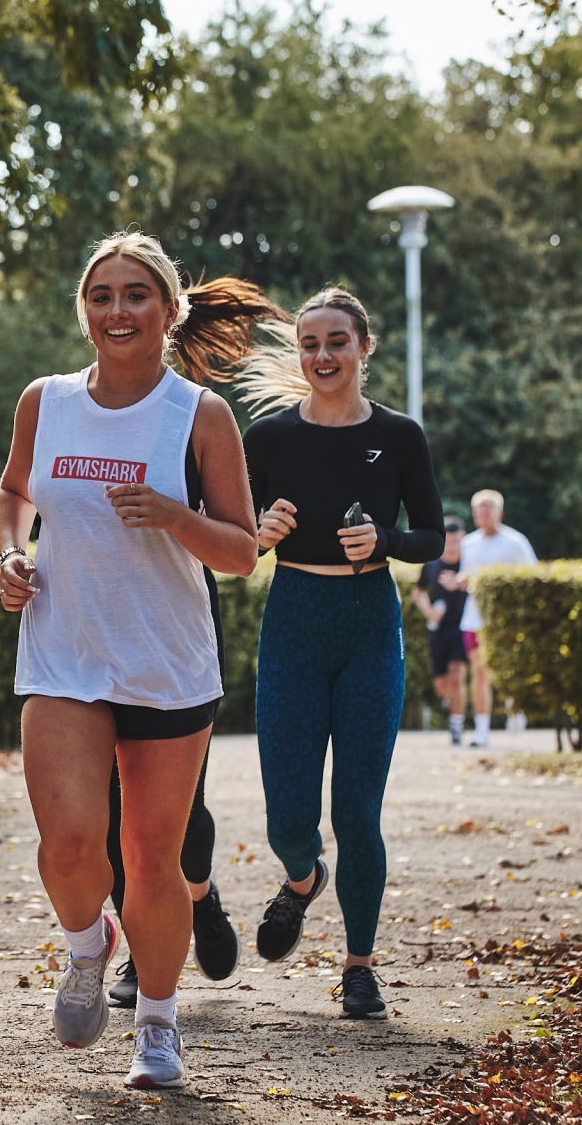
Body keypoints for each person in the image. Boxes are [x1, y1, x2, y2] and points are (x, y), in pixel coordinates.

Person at [0, 232, 266, 1089]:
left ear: (168, 309)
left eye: (136, 294)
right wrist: (10, 552)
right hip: (64, 651)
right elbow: (12, 494)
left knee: (154, 860)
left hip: (165, 662)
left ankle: (157, 1025)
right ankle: (86, 945)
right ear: (85, 310)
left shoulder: (199, 415)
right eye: (102, 295)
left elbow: (241, 550)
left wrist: (173, 515)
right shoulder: (46, 401)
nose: (118, 310)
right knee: (69, 843)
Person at [243, 287, 443, 1022]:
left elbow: (432, 537)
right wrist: (259, 531)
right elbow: (226, 535)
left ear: (365, 347)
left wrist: (386, 543)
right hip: (293, 618)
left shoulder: (399, 436)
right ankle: (301, 879)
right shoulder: (265, 440)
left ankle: (359, 966)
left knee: (358, 811)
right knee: (286, 819)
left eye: (336, 341)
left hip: (368, 623)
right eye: (309, 343)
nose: (322, 355)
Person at [105, 569, 238, 1009]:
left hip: (177, 617)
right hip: (86, 618)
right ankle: (143, 954)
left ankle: (200, 893)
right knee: (110, 815)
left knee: (180, 814)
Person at [451, 489, 537, 747]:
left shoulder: (515, 542)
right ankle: (481, 732)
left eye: (487, 510)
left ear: (499, 512)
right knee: (479, 672)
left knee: (505, 670)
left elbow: (531, 577)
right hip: (474, 618)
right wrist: (457, 582)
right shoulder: (468, 543)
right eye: (478, 511)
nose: (482, 515)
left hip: (505, 619)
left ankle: (513, 705)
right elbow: (467, 576)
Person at [411, 516, 470, 745]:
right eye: (450, 541)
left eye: (457, 541)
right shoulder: (432, 565)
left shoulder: (468, 564)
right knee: (442, 685)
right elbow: (418, 592)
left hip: (462, 626)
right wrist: (429, 612)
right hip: (439, 630)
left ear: (462, 539)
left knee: (458, 674)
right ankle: (449, 701)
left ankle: (456, 727)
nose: (453, 545)